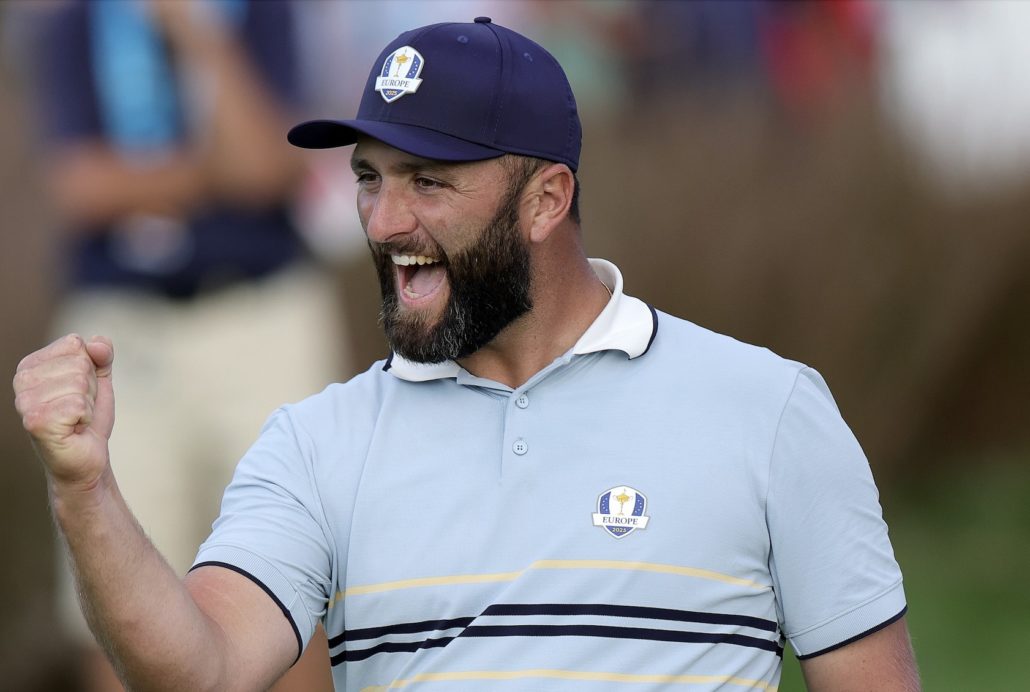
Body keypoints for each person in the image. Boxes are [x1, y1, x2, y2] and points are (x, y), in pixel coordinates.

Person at [13, 16, 920, 692]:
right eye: (369, 179)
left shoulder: (768, 410)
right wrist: (86, 490)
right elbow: (198, 672)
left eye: (429, 182)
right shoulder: (314, 443)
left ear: (546, 199)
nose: (384, 222)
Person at [23, 1, 340, 689]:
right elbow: (80, 187)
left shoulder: (268, 13)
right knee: (110, 586)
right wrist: (215, 171)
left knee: (298, 588)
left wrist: (191, 32)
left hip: (260, 316)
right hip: (121, 338)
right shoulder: (70, 22)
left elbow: (264, 165)